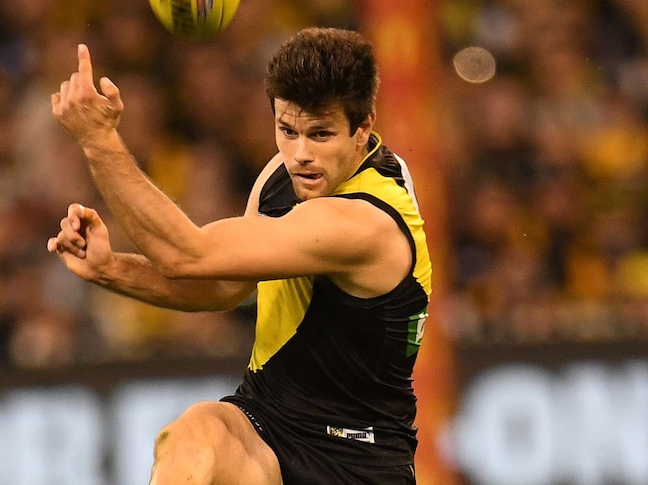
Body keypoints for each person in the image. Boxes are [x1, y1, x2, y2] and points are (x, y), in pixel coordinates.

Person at [47, 27, 431, 485]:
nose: (301, 154)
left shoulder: (366, 224)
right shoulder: (284, 175)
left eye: (321, 135)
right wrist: (113, 269)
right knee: (193, 433)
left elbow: (185, 255)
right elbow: (223, 285)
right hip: (267, 424)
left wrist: (98, 140)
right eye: (287, 130)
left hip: (354, 462)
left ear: (363, 127)